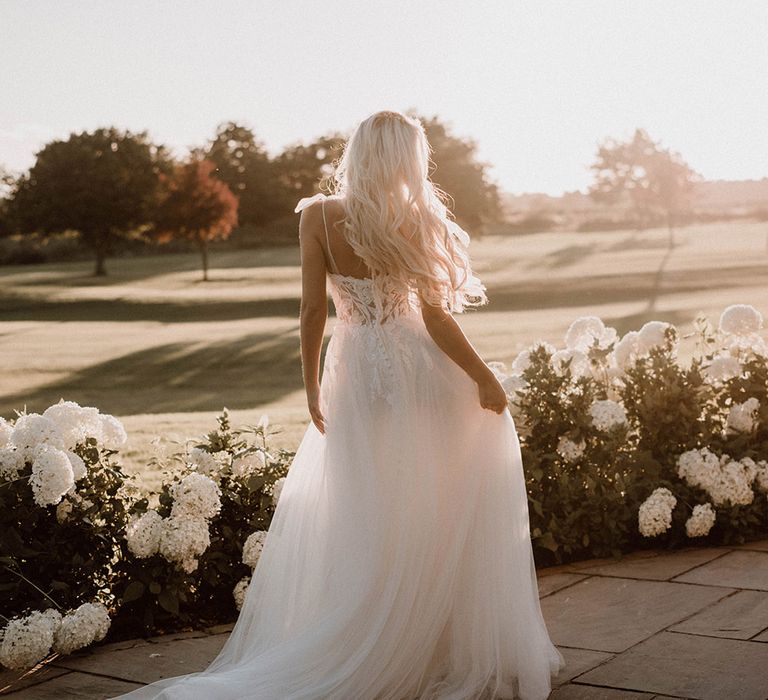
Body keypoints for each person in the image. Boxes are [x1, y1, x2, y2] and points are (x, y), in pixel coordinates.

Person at [112, 110, 565, 700]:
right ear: (409, 158)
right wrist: (484, 379)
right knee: (430, 502)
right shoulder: (416, 219)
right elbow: (434, 316)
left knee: (366, 507)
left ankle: (389, 629)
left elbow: (312, 312)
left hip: (355, 374)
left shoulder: (320, 217)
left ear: (356, 153)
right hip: (418, 371)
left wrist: (309, 384)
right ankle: (421, 639)